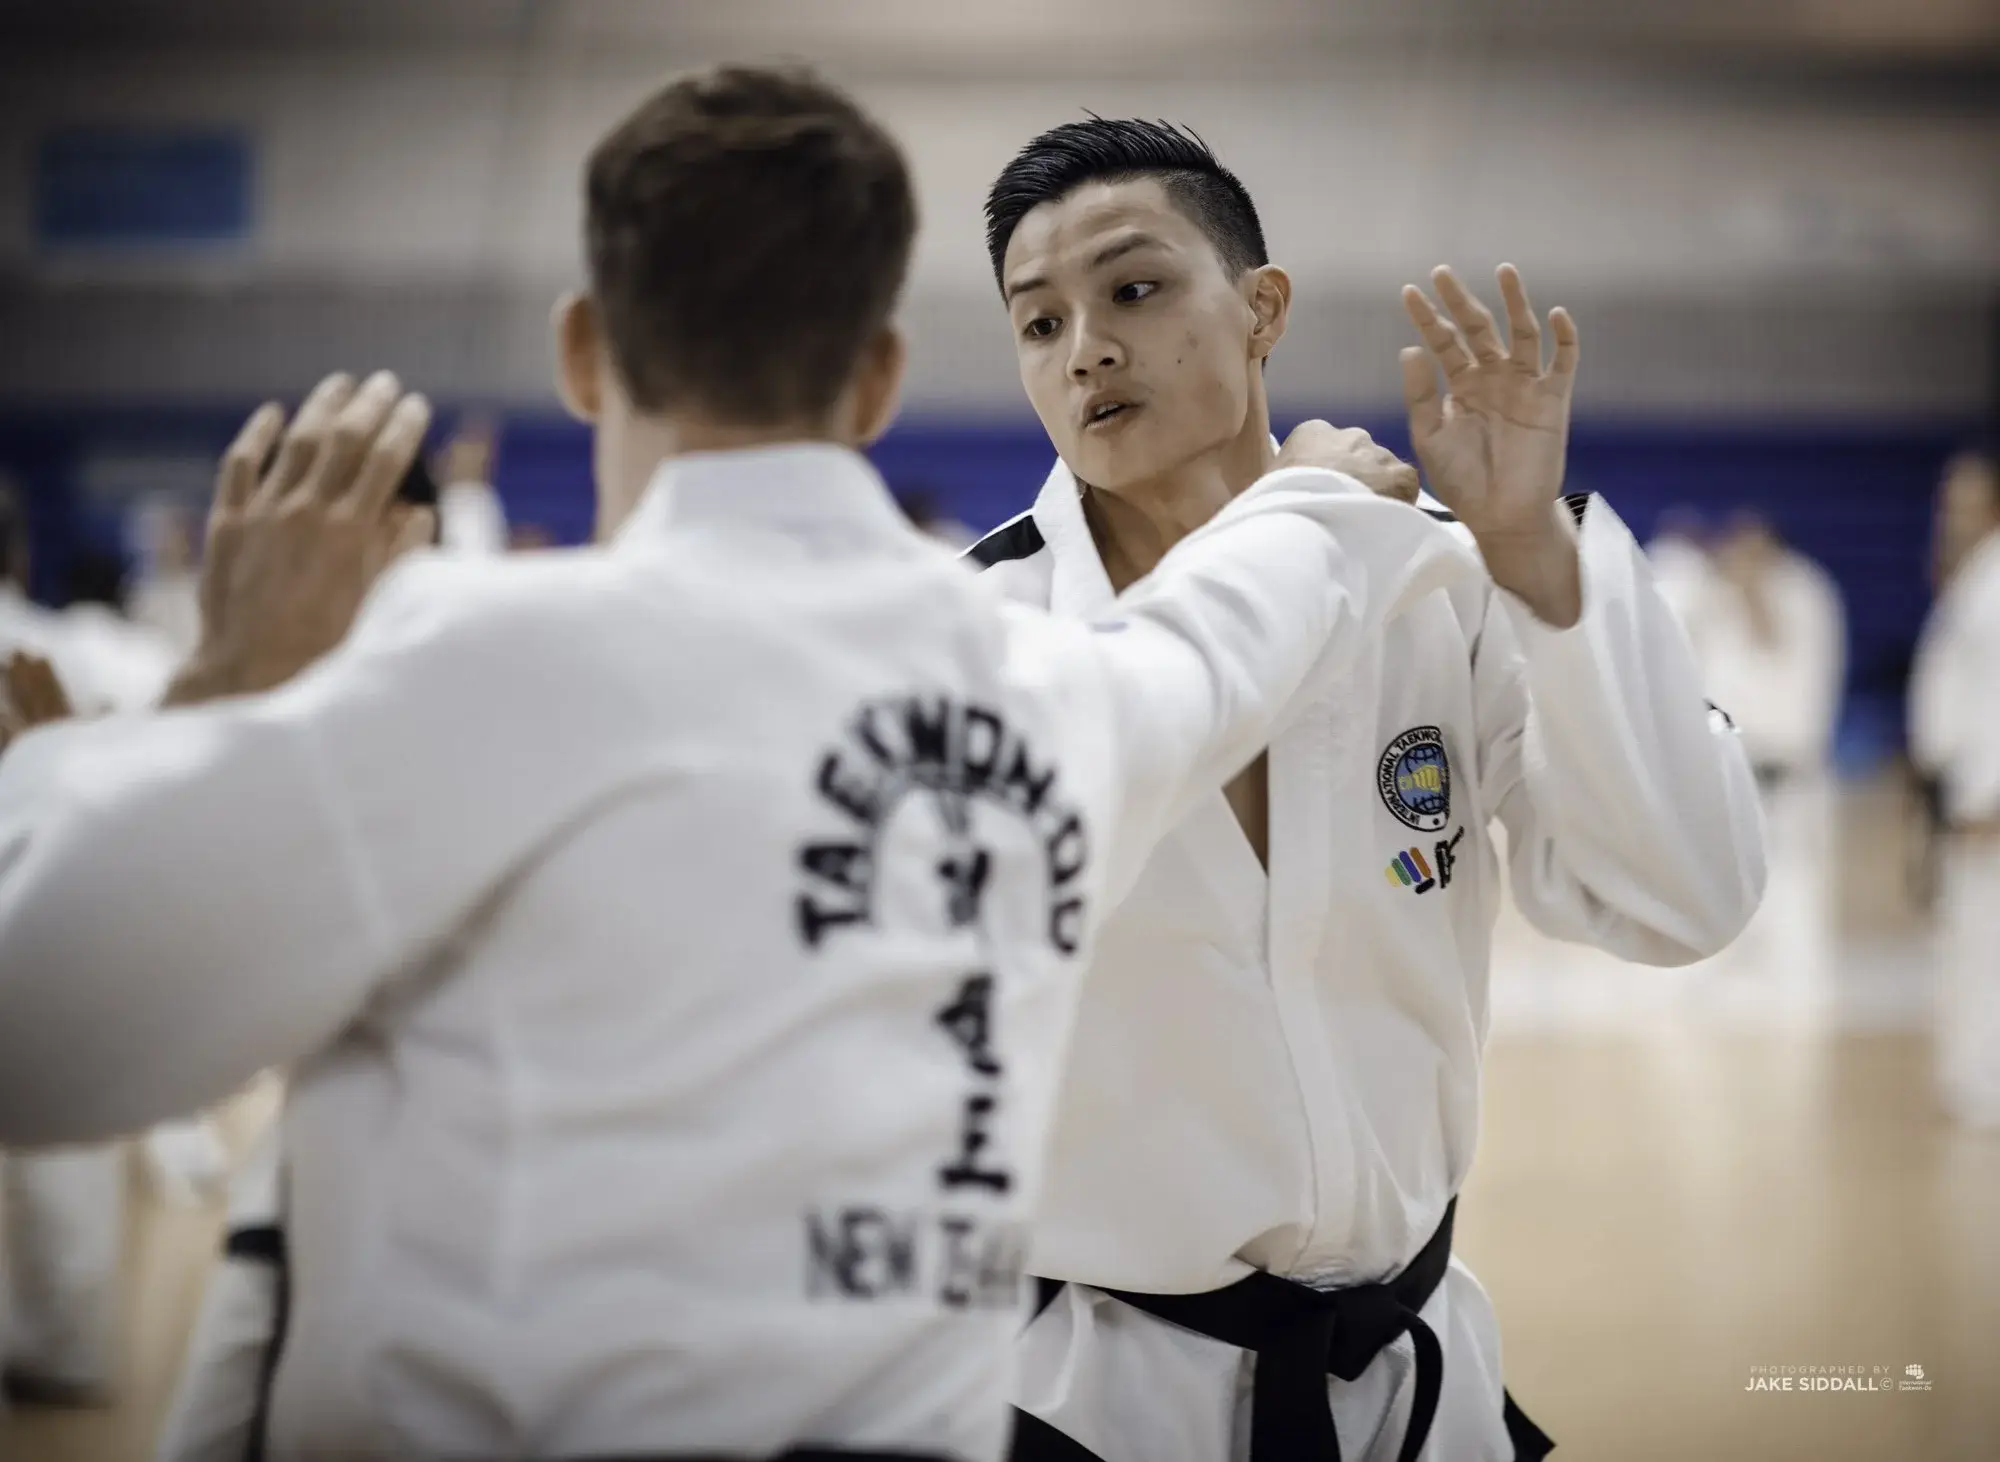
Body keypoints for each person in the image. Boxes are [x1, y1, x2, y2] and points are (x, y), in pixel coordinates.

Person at [0, 68, 1479, 1461]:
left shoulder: (474, 668)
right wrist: (1317, 508)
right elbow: (1223, 640)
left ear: (584, 351)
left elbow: (43, 1024)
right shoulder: (1040, 685)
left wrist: (216, 689)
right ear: (881, 375)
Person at [969, 118, 1766, 1462]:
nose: (1085, 347)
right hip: (1083, 1404)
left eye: (1135, 288)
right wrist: (1305, 529)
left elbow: (1687, 896)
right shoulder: (984, 635)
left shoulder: (1445, 585)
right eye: (1037, 324)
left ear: (1263, 307)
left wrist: (1531, 552)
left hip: (1413, 1383)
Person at [1908, 450, 2000, 1130]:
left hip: (1987, 804)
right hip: (1962, 796)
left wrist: (1990, 797)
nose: (1952, 516)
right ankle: (1973, 1084)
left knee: (1985, 948)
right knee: (1967, 946)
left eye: (1967, 503)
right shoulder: (1971, 580)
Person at [1698, 514, 1846, 785]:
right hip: (1735, 755)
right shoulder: (1725, 589)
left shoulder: (1800, 587)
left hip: (1784, 765)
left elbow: (1774, 642)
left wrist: (1749, 589)